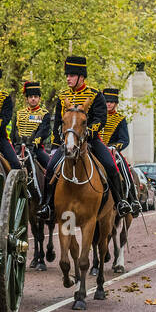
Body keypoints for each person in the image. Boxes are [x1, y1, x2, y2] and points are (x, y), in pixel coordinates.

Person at [39, 55, 132, 221]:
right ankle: (47, 205)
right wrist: (55, 144)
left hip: (90, 140)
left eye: (72, 75)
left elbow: (100, 118)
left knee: (111, 166)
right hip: (67, 142)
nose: (68, 78)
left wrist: (89, 131)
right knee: (51, 168)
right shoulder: (62, 96)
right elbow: (58, 124)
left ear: (81, 77)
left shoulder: (95, 95)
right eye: (67, 75)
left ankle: (121, 202)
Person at [99, 87, 139, 215]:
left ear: (115, 103)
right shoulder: (97, 117)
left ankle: (131, 199)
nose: (108, 104)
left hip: (112, 151)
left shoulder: (120, 119)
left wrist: (115, 147)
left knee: (124, 169)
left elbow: (124, 139)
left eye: (111, 102)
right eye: (106, 101)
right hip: (96, 148)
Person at [8, 79, 50, 202]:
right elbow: (13, 132)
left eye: (36, 96)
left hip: (35, 150)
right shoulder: (20, 113)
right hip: (18, 148)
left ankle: (47, 201)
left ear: (39, 99)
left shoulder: (44, 114)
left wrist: (34, 143)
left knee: (51, 169)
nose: (33, 99)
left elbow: (44, 131)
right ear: (26, 99)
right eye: (30, 96)